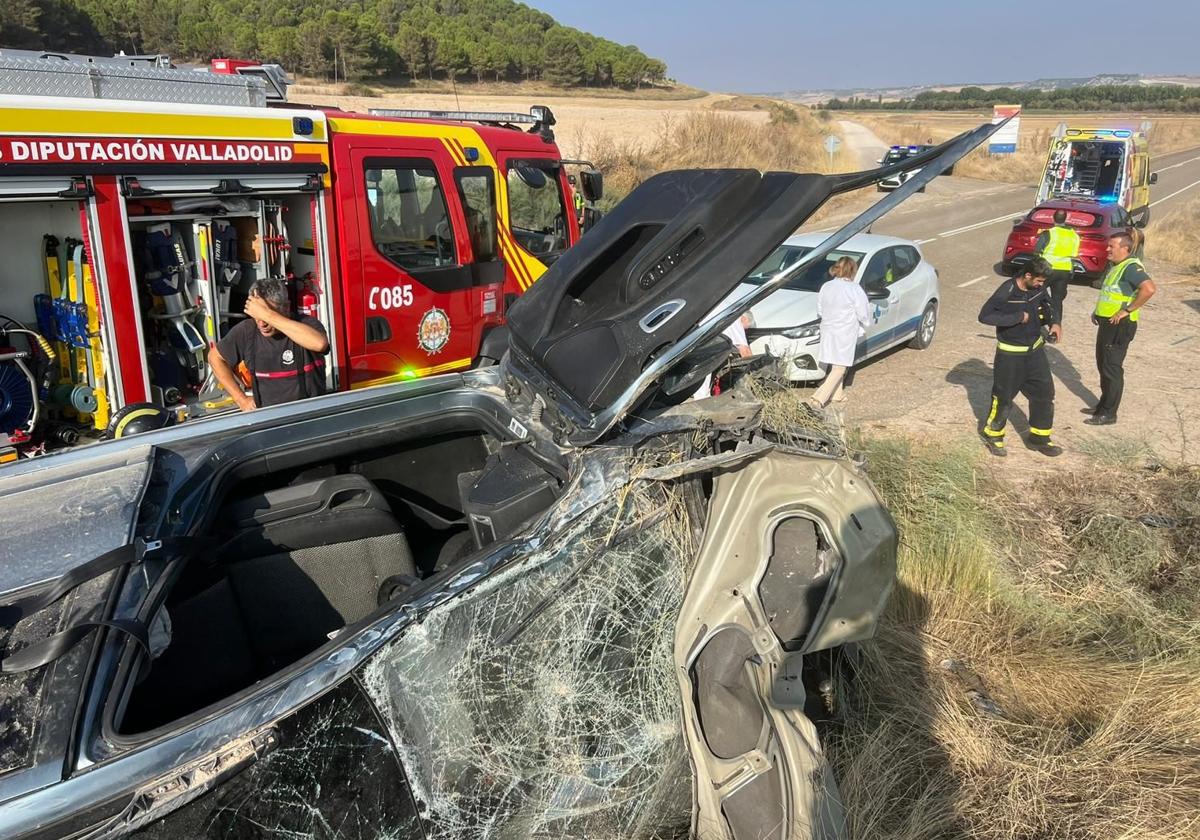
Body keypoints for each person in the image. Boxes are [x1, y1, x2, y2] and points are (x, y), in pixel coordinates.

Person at [977, 257, 1063, 457]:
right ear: (1027, 275)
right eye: (1039, 281)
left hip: (1035, 352)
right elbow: (985, 316)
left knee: (1044, 394)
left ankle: (1039, 439)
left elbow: (1049, 305)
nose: (1042, 285)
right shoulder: (1006, 291)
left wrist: (1055, 323)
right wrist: (1016, 318)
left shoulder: (1038, 289)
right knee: (1004, 398)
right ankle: (993, 436)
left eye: (1044, 282)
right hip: (1010, 356)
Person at [208, 277, 330, 411]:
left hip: (310, 417)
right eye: (257, 315)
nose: (262, 323)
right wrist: (241, 399)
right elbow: (215, 358)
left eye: (266, 315)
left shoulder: (307, 325)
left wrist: (266, 314)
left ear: (287, 308)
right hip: (270, 421)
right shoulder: (246, 332)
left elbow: (320, 344)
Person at [1084, 231, 1156, 426]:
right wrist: (1097, 311)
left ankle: (1109, 413)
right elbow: (1112, 293)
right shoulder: (1118, 266)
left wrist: (1127, 310)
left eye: (1111, 246)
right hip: (1108, 322)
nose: (1107, 249)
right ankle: (1103, 405)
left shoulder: (1131, 267)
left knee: (1111, 368)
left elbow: (1149, 289)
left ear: (1125, 248)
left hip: (1120, 325)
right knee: (1103, 364)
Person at [808, 256, 868, 409]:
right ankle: (819, 398)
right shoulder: (855, 289)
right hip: (845, 330)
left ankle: (837, 394)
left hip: (828, 328)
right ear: (853, 270)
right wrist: (865, 323)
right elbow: (862, 312)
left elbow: (819, 309)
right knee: (840, 366)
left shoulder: (826, 286)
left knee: (834, 361)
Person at [691, 314, 752, 400]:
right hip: (709, 348)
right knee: (703, 384)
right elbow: (745, 351)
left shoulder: (724, 312)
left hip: (700, 342)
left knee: (701, 380)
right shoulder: (736, 320)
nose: (745, 331)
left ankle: (701, 401)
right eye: (745, 328)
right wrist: (753, 375)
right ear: (744, 319)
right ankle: (703, 405)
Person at [1034, 209, 1079, 324]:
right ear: (1065, 219)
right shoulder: (1074, 235)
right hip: (1065, 269)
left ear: (1053, 218)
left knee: (1036, 295)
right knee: (1058, 300)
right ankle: (1055, 327)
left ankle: (1038, 320)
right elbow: (1074, 254)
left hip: (1047, 269)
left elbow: (1037, 251)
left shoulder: (1049, 233)